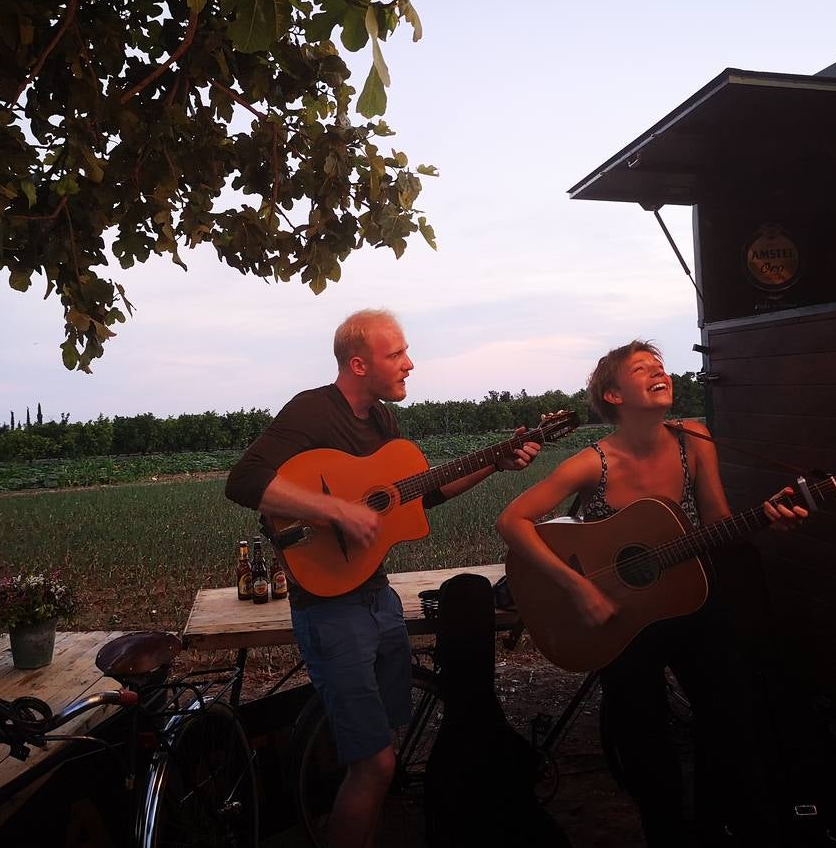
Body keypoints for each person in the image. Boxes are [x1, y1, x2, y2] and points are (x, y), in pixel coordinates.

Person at [225, 308, 539, 848]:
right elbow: (244, 480)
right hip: (329, 608)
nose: (409, 364)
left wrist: (495, 462)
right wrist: (336, 512)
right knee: (374, 764)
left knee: (382, 750)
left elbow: (421, 495)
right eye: (396, 354)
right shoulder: (312, 410)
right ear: (358, 363)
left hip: (377, 596)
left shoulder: (382, 424)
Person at [496, 339, 806, 847]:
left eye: (660, 366)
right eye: (642, 368)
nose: (659, 372)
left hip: (691, 597)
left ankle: (728, 825)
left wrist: (767, 520)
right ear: (614, 396)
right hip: (619, 614)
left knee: (732, 718)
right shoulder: (593, 462)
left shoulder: (695, 439)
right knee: (644, 740)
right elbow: (513, 520)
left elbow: (718, 523)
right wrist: (578, 589)